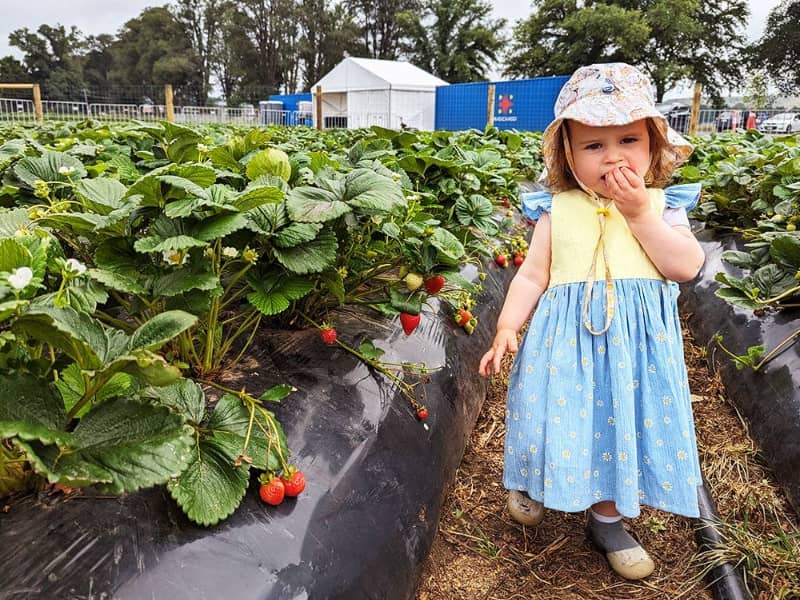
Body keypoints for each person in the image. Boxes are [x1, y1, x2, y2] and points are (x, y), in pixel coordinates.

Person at [478, 62, 706, 581]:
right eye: (593, 145)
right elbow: (533, 277)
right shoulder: (556, 211)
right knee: (550, 413)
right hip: (564, 347)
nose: (613, 156)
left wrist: (640, 215)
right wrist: (508, 325)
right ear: (568, 156)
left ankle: (607, 521)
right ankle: (535, 482)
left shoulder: (663, 207)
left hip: (634, 353)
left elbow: (685, 266)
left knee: (622, 423)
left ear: (654, 146)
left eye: (628, 139)